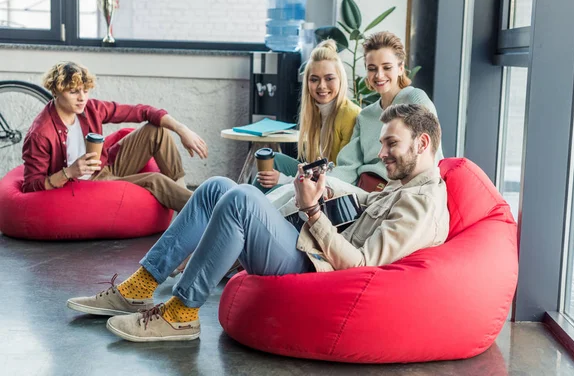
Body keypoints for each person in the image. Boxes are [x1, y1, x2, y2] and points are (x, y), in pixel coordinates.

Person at [66, 103, 450, 343]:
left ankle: (182, 313)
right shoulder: (404, 187)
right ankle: (141, 284)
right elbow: (366, 205)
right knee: (217, 186)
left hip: (315, 266)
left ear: (422, 143)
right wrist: (326, 191)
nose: (381, 154)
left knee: (243, 199)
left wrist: (313, 213)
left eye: (391, 145)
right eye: (382, 143)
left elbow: (360, 265)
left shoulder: (422, 205)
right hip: (308, 244)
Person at [266, 31, 444, 215]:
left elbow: (433, 156)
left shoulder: (415, 98)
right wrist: (324, 185)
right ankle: (258, 212)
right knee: (302, 189)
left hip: (394, 194)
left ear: (400, 68)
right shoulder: (366, 115)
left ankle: (261, 217)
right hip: (364, 192)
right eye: (372, 68)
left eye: (387, 67)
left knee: (303, 193)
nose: (379, 75)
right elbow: (348, 166)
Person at [21, 61, 208, 212]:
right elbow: (30, 186)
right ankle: (208, 213)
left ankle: (183, 196)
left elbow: (141, 111)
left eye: (85, 90)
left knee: (156, 130)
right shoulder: (40, 133)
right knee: (154, 180)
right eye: (73, 92)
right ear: (56, 91)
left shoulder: (91, 109)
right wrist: (69, 172)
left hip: (104, 168)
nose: (82, 98)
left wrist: (182, 129)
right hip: (85, 186)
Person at [253, 39, 360, 193]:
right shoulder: (314, 113)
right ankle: (252, 207)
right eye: (314, 79)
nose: (321, 86)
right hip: (318, 179)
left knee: (270, 185)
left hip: (335, 190)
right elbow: (314, 170)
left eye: (329, 78)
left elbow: (340, 177)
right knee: (272, 161)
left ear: (341, 80)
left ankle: (252, 210)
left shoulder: (350, 114)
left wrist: (283, 180)